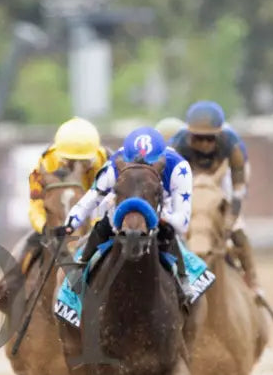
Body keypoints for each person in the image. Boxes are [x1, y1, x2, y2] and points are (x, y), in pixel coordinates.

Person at [58, 126, 196, 306]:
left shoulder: (179, 168)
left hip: (160, 207)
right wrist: (70, 224)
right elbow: (91, 199)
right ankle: (83, 265)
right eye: (135, 166)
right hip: (122, 207)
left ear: (161, 162)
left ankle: (183, 279)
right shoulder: (114, 165)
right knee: (104, 223)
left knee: (168, 233)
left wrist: (159, 215)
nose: (141, 171)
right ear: (126, 162)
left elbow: (182, 224)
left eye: (148, 166)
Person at [0, 117, 109, 312]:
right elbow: (36, 203)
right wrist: (44, 226)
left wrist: (95, 225)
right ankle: (8, 292)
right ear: (61, 157)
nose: (77, 167)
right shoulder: (44, 164)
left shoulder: (104, 162)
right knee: (23, 249)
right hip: (56, 219)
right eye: (71, 161)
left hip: (92, 219)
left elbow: (105, 202)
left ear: (94, 155)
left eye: (83, 162)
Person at [169, 100, 264, 302]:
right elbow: (171, 186)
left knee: (238, 230)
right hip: (189, 184)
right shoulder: (177, 145)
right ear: (189, 135)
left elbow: (238, 190)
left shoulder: (232, 145)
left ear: (219, 135)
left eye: (209, 139)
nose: (204, 145)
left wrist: (231, 219)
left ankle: (253, 281)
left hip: (222, 181)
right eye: (199, 138)